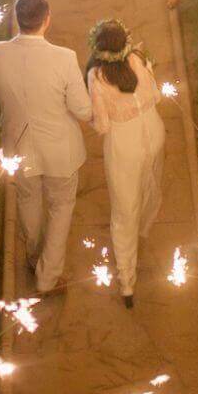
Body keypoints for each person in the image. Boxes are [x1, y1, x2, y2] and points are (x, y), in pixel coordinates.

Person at [0, 0, 92, 296]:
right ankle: (47, 276)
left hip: (18, 148)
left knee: (27, 200)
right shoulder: (65, 59)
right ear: (47, 20)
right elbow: (81, 109)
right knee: (61, 207)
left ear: (17, 18)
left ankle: (33, 255)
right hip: (61, 151)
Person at [86, 20, 165, 306]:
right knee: (149, 182)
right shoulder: (140, 59)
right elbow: (156, 95)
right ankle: (143, 229)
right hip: (153, 132)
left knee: (123, 209)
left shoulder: (97, 76)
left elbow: (103, 125)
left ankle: (127, 281)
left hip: (125, 142)